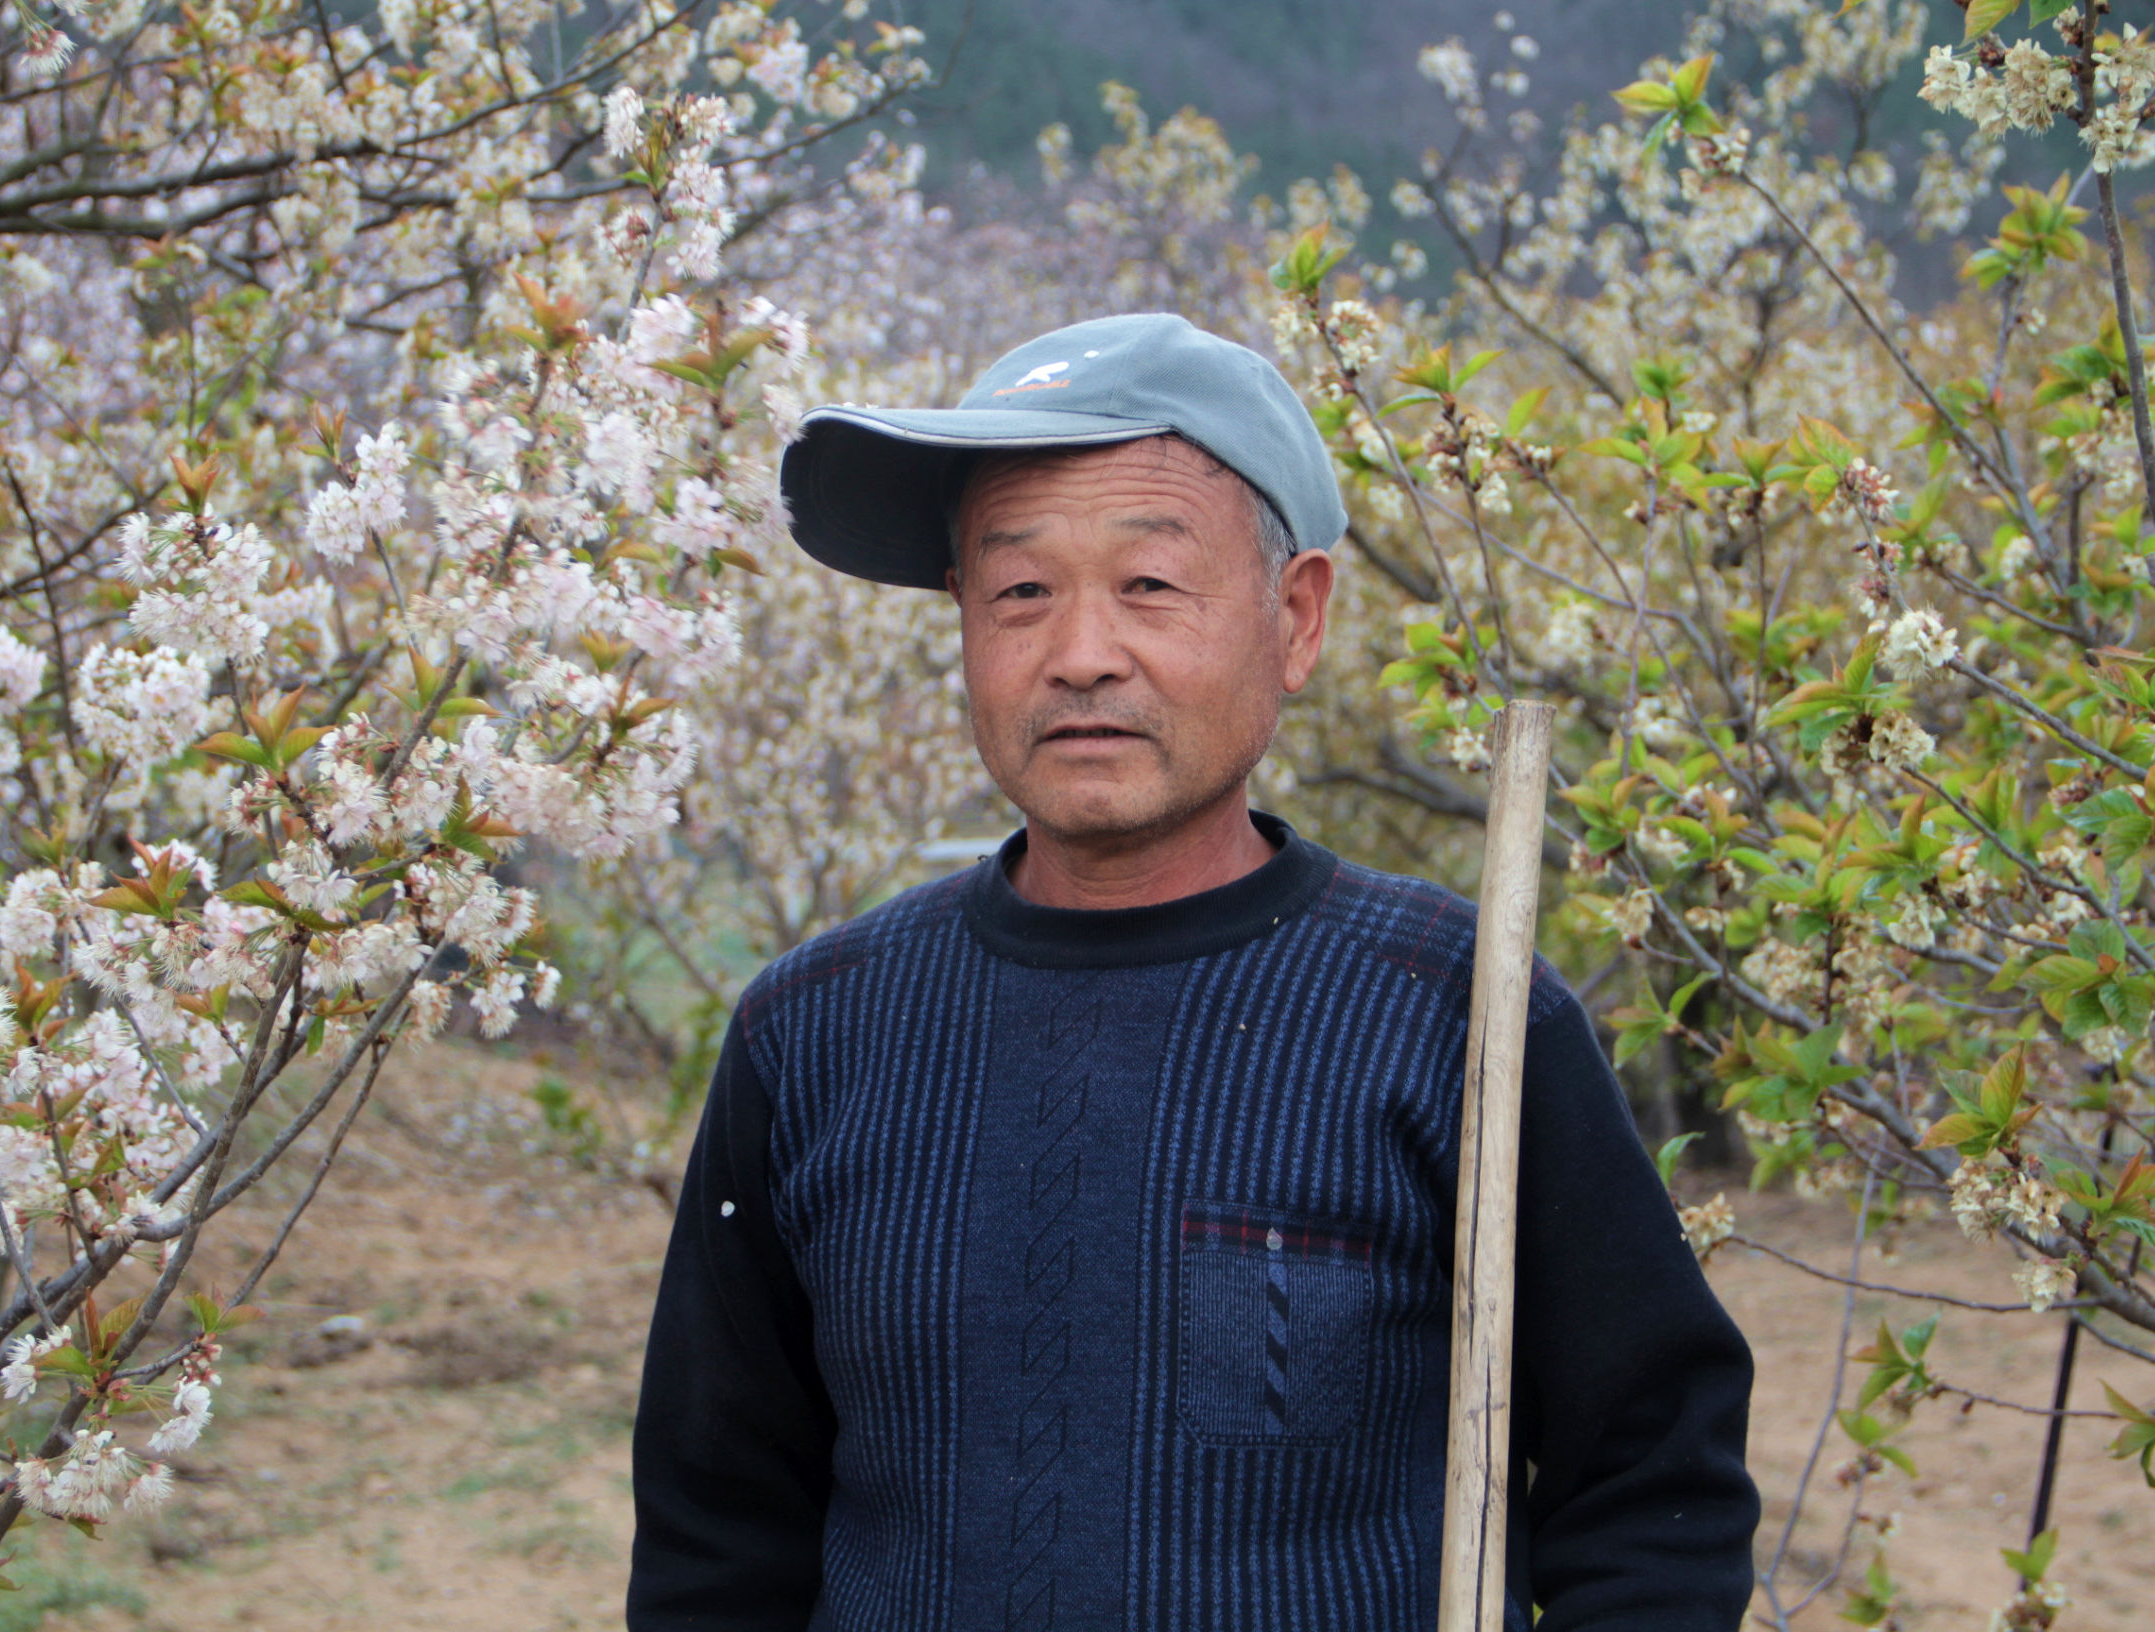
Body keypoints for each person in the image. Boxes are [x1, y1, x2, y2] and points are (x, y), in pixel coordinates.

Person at [625, 312, 1759, 1631]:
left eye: (1151, 584)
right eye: (1019, 590)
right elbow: (718, 1534)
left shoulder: (1457, 1016)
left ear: (1295, 618)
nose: (1081, 653)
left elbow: (1653, 1483)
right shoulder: (814, 1033)